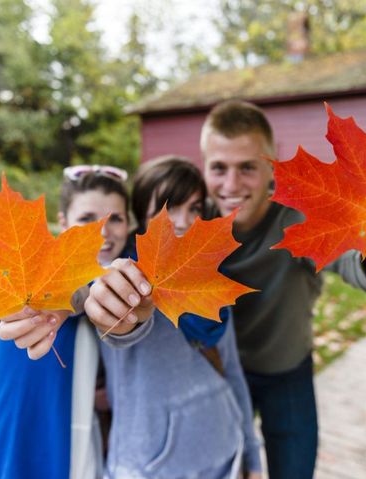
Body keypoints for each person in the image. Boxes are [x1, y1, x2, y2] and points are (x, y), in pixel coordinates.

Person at [193, 99, 366, 479]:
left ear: (270, 163)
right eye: (218, 168)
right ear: (203, 167)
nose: (231, 184)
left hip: (286, 373)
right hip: (218, 378)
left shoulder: (301, 212)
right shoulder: (188, 226)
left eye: (247, 168)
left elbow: (356, 256)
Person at [90, 155, 262, 478]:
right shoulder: (122, 280)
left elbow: (232, 370)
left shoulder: (209, 282)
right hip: (150, 467)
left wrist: (252, 456)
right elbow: (119, 321)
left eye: (195, 208)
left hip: (227, 454)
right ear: (142, 215)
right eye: (169, 209)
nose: (184, 221)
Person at [0, 165, 131, 479]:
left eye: (115, 218)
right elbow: (75, 291)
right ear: (63, 223)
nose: (103, 230)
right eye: (88, 218)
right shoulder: (40, 272)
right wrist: (71, 298)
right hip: (31, 392)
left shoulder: (129, 274)